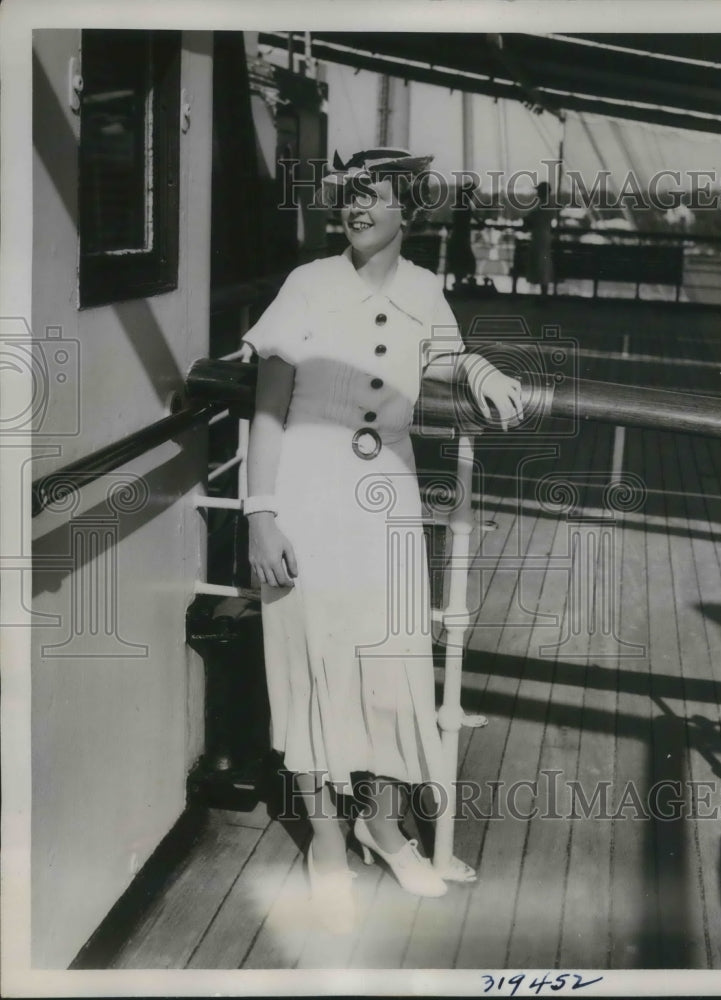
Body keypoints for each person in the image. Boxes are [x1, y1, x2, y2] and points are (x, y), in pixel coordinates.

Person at [242, 148, 523, 934]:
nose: (355, 208)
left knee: (393, 661)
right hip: (304, 487)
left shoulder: (425, 290)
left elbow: (442, 355)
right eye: (347, 196)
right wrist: (259, 511)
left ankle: (386, 826)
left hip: (386, 496)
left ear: (410, 209)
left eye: (372, 196)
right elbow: (267, 406)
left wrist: (478, 370)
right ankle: (328, 841)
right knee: (306, 664)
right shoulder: (307, 285)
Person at [524, 180, 559, 296]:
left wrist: (527, 219)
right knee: (542, 264)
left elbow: (533, 219)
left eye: (539, 190)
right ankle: (543, 294)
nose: (537, 192)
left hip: (540, 236)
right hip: (544, 235)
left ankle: (543, 295)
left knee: (541, 265)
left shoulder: (544, 205)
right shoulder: (549, 204)